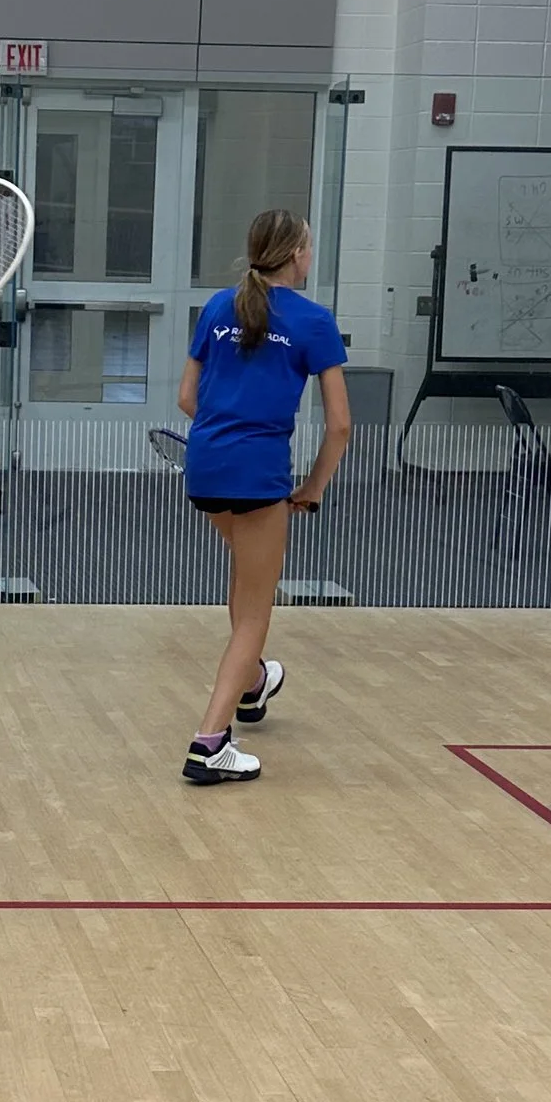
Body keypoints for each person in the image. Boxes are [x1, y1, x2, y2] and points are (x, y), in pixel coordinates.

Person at [176, 207, 350, 784]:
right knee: (255, 610)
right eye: (309, 246)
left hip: (205, 467)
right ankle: (210, 743)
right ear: (298, 254)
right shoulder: (314, 321)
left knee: (243, 580)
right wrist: (313, 490)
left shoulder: (219, 307)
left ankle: (252, 687)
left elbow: (186, 397)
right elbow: (341, 426)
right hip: (258, 477)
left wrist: (225, 433)